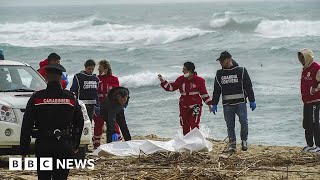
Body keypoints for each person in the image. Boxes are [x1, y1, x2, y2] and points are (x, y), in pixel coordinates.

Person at [20, 64, 84, 180]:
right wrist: (75, 144)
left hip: (44, 144)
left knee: (44, 176)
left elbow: (26, 125)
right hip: (64, 144)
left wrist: (24, 148)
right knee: (61, 177)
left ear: (45, 78)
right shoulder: (70, 98)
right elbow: (79, 122)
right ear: (61, 79)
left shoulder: (37, 98)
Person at [212, 51, 256, 152]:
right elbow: (217, 90)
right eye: (220, 61)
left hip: (240, 103)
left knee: (244, 123)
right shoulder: (219, 73)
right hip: (227, 105)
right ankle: (232, 145)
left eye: (222, 61)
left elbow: (248, 86)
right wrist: (214, 103)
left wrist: (252, 100)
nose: (221, 63)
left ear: (229, 59)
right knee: (230, 126)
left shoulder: (241, 71)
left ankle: (244, 141)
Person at [158, 62, 212, 135]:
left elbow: (204, 94)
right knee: (184, 124)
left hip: (196, 105)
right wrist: (163, 81)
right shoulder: (180, 79)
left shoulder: (200, 80)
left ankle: (196, 141)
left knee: (194, 124)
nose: (182, 71)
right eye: (183, 69)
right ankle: (187, 141)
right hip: (183, 105)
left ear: (190, 70)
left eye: (184, 69)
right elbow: (171, 88)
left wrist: (209, 104)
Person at [92, 60, 122, 148]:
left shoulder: (114, 79)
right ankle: (96, 146)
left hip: (111, 107)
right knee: (98, 126)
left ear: (106, 69)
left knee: (114, 125)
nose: (98, 70)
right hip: (99, 107)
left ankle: (118, 145)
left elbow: (118, 94)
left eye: (100, 68)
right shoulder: (96, 79)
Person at [298, 48, 320, 153]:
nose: (301, 60)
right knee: (307, 123)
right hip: (306, 101)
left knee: (316, 123)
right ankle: (310, 145)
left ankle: (319, 146)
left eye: (303, 57)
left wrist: (314, 89)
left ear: (308, 57)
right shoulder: (305, 69)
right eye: (300, 57)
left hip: (316, 100)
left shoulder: (317, 68)